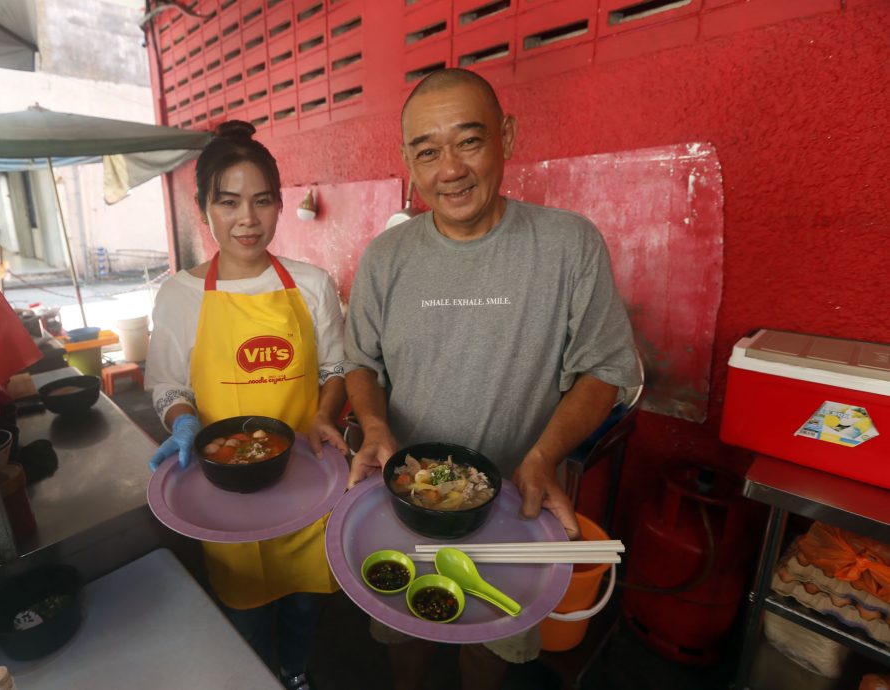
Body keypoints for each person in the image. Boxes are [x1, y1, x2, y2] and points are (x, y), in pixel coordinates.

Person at [344, 69, 642, 690]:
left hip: (512, 505)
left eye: (469, 142)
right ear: (407, 160)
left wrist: (543, 457)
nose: (448, 168)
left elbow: (606, 367)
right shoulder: (385, 259)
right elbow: (361, 363)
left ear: (506, 135)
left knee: (490, 646)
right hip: (404, 505)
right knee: (405, 639)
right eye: (426, 151)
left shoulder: (568, 245)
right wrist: (372, 423)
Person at [145, 120, 350, 690]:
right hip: (224, 487)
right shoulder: (181, 294)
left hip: (308, 474)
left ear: (280, 206)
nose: (247, 219)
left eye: (262, 201)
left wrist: (324, 413)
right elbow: (166, 384)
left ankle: (295, 672)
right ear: (202, 205)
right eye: (229, 202)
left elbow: (336, 367)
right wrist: (182, 419)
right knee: (244, 609)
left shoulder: (311, 284)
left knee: (307, 602)